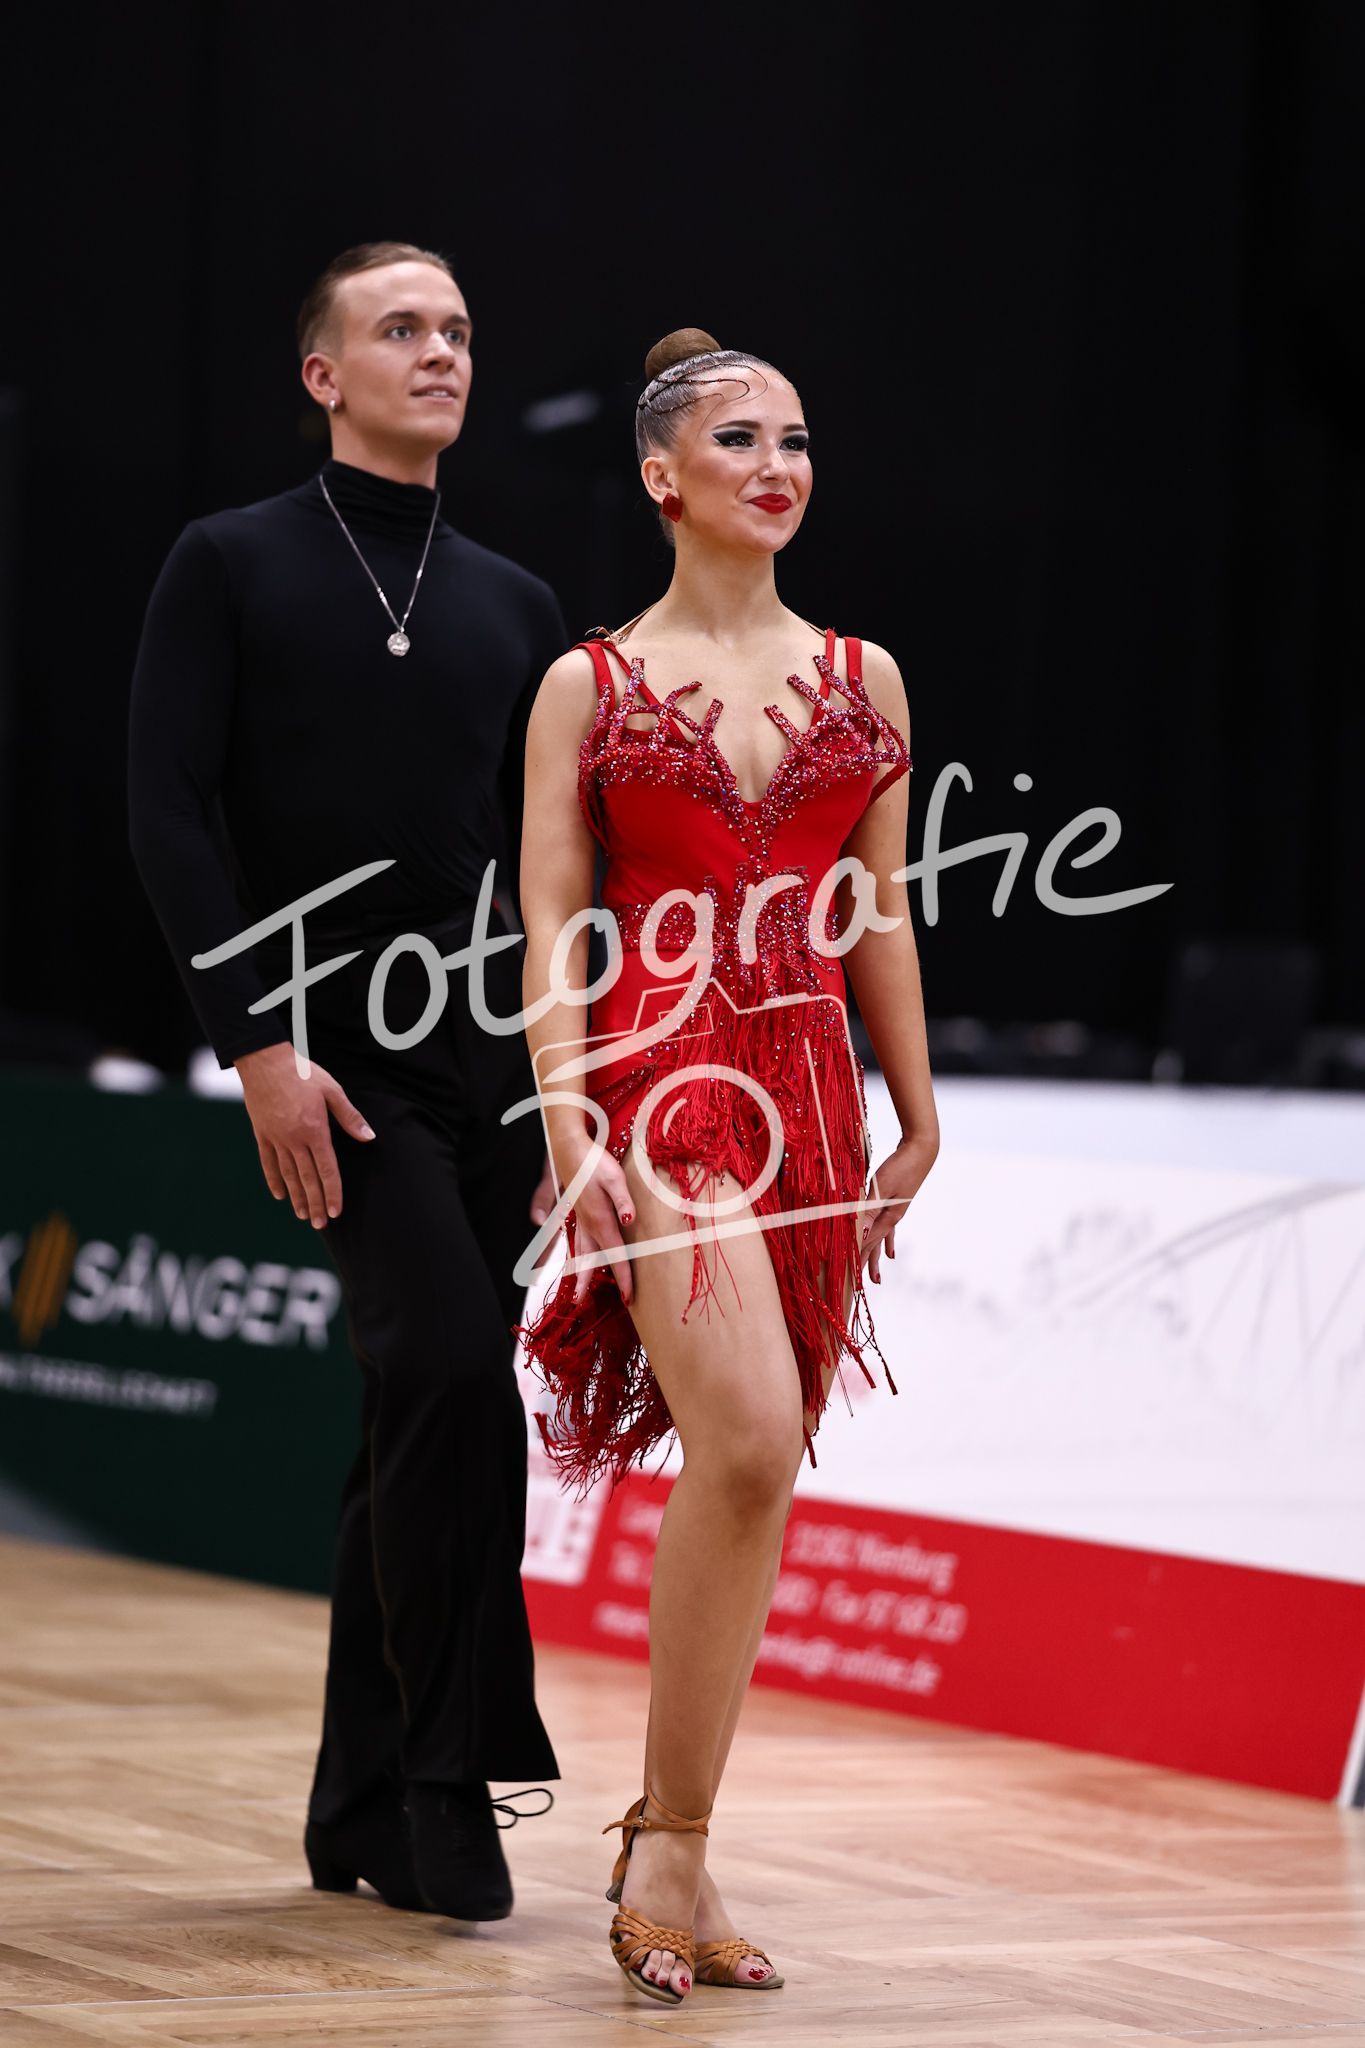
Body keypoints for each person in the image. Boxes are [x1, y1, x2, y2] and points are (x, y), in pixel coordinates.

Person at [128, 241, 564, 1921]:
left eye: (457, 328)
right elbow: (169, 810)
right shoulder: (229, 561)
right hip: (333, 1052)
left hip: (490, 1065)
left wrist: (561, 1093)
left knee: (416, 1419)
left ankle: (355, 1806)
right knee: (447, 1371)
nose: (440, 350)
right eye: (401, 329)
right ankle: (452, 1785)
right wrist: (254, 1045)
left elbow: (546, 874)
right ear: (324, 374)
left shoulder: (517, 604)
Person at [515, 328, 940, 2004]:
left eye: (797, 440)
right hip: (661, 1083)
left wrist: (918, 1111)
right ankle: (667, 1841)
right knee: (750, 1435)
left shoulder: (864, 676)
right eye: (741, 439)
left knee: (756, 1473)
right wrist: (565, 1114)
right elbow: (551, 920)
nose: (779, 465)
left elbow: (878, 911)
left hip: (811, 1099)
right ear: (660, 477)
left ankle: (673, 1834)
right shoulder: (588, 684)